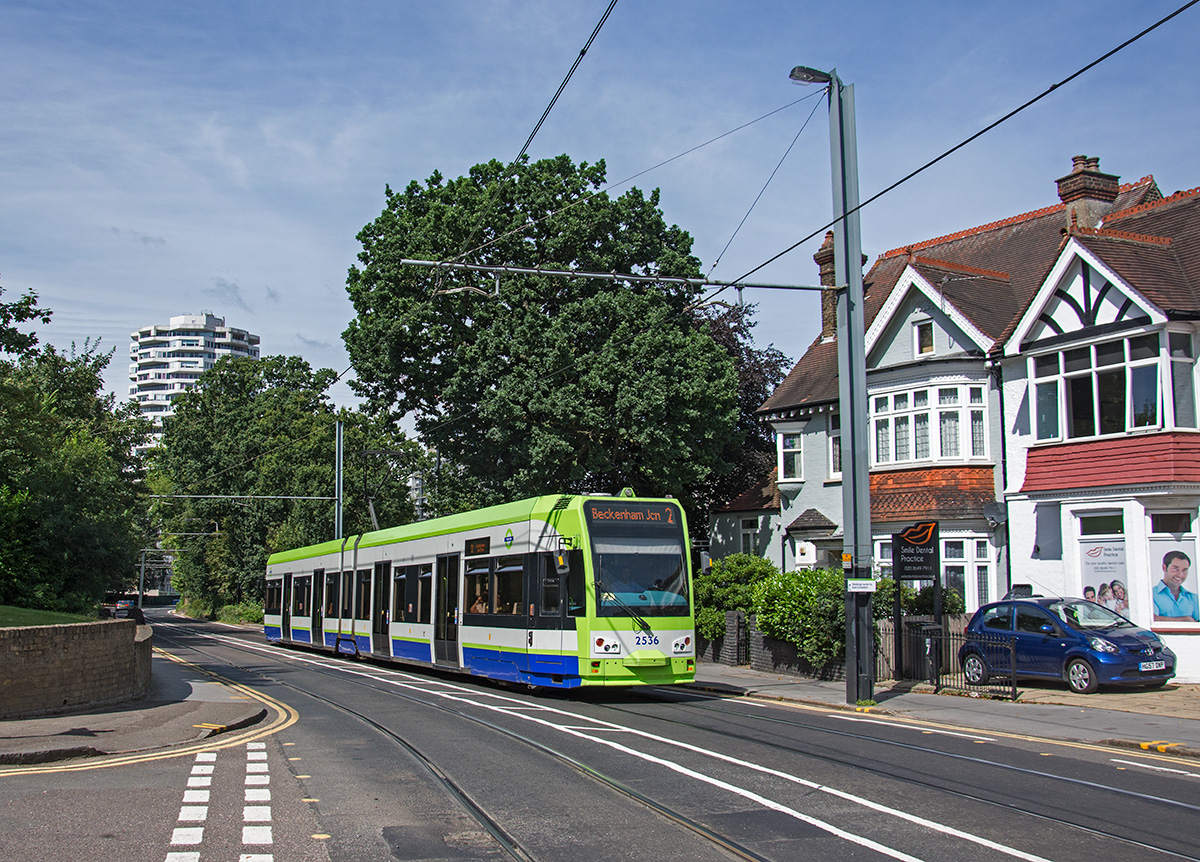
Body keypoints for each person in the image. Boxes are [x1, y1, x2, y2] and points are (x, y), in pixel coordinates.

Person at [1154, 550, 1200, 622]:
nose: (1180, 574)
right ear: (1164, 568)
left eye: (1184, 570)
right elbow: (1150, 619)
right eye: (1175, 569)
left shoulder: (1193, 598)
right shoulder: (1151, 595)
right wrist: (1185, 620)